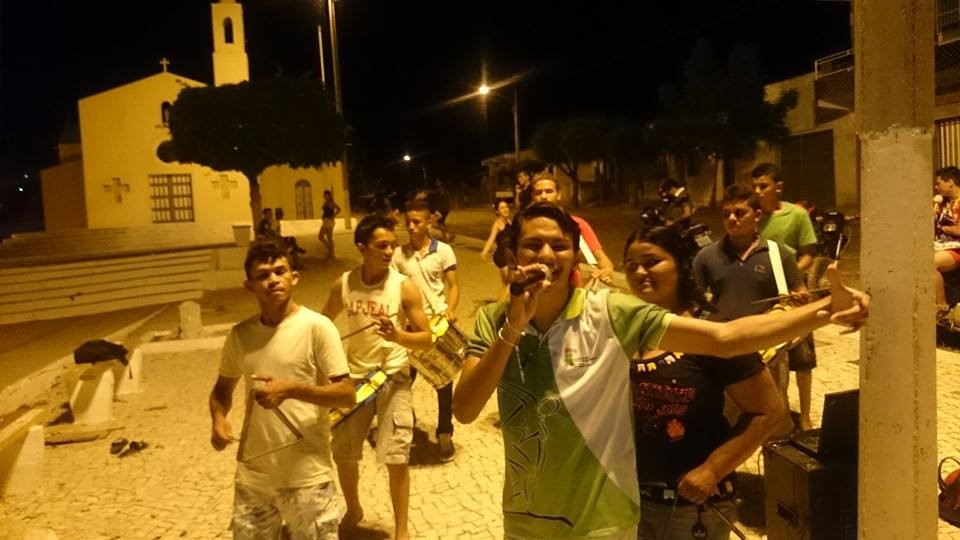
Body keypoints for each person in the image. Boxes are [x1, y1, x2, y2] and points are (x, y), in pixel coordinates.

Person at [453, 202, 868, 540]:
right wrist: (513, 326)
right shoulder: (494, 320)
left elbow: (726, 339)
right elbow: (466, 409)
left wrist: (824, 310)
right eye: (533, 245)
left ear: (575, 255)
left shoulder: (610, 312)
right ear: (513, 255)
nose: (546, 255)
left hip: (603, 521)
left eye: (559, 246)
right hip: (524, 521)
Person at [623, 226, 784, 539]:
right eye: (631, 265)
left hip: (691, 508)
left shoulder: (711, 335)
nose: (640, 272)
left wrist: (713, 469)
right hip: (633, 500)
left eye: (651, 262)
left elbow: (768, 411)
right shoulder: (631, 331)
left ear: (681, 265)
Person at [208, 241, 356, 540]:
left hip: (307, 475)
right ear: (249, 286)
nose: (273, 280)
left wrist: (291, 390)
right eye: (263, 275)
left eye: (280, 271)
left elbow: (346, 394)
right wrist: (218, 419)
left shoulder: (317, 327)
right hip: (254, 478)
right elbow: (222, 389)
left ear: (294, 277)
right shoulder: (241, 335)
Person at [321, 214, 432, 540]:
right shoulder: (343, 284)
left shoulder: (403, 287)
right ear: (362, 247)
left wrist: (397, 336)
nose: (388, 251)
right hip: (354, 379)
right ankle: (354, 508)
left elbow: (426, 339)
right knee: (343, 452)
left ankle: (401, 530)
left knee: (396, 455)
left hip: (393, 378)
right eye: (381, 245)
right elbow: (322, 326)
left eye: (392, 245)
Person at [692, 184, 805, 436]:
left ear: (757, 215)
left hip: (769, 351)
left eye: (740, 213)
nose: (732, 219)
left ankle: (774, 460)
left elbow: (799, 292)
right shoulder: (706, 256)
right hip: (725, 351)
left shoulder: (779, 254)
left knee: (774, 417)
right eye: (726, 214)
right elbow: (693, 303)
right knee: (724, 421)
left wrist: (799, 298)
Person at [391, 198, 461, 461]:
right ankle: (406, 423)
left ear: (429, 221)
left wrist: (450, 309)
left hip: (437, 327)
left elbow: (453, 286)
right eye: (408, 221)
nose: (411, 226)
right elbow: (393, 291)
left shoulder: (443, 251)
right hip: (411, 329)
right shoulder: (398, 255)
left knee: (443, 382)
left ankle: (444, 433)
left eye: (416, 222)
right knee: (402, 381)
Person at [751, 163, 820, 431]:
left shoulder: (797, 215)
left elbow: (808, 254)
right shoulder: (754, 217)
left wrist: (789, 277)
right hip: (764, 293)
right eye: (755, 187)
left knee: (803, 357)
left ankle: (805, 415)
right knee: (770, 356)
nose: (758, 192)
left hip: (793, 292)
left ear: (778, 187)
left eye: (764, 186)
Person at [527, 171, 615, 285]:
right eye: (538, 192)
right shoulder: (525, 226)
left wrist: (606, 271)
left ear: (559, 194)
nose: (544, 196)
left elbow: (601, 258)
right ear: (532, 196)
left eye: (549, 191)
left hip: (572, 289)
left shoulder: (577, 224)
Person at [934, 166, 960, 314]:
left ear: (950, 182)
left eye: (939, 183)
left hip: (956, 248)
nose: (936, 188)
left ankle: (942, 307)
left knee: (930, 264)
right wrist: (934, 214)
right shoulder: (943, 203)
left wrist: (944, 228)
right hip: (942, 246)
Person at [480, 198, 512, 263]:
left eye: (506, 207)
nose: (505, 209)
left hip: (509, 255)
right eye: (502, 208)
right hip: (501, 256)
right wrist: (484, 252)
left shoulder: (509, 222)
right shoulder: (497, 224)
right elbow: (491, 239)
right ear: (497, 211)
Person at [319, 190, 341, 261]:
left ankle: (331, 252)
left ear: (329, 195)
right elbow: (325, 211)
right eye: (324, 195)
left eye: (327, 195)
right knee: (323, 237)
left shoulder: (331, 202)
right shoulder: (325, 202)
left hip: (329, 221)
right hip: (325, 221)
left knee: (326, 237)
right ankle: (331, 252)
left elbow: (339, 209)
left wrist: (333, 216)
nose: (325, 196)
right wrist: (323, 216)